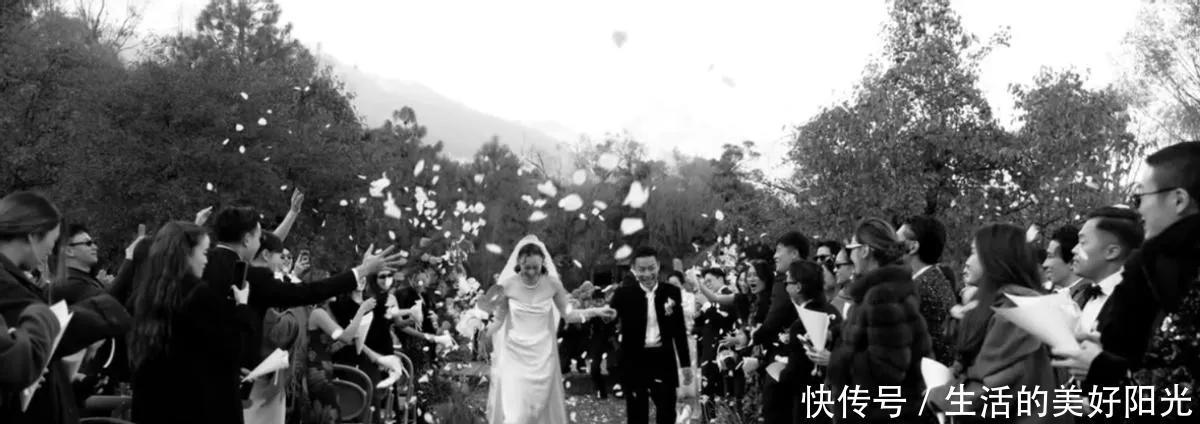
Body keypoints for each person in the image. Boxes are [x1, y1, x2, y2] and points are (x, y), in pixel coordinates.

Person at [1052, 141, 1200, 423]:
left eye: (1140, 197)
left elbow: (1182, 395)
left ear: (1178, 200)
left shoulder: (1181, 278)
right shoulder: (1148, 274)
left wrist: (1102, 368)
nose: (1139, 210)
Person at [0, 192, 131, 424]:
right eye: (53, 239)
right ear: (33, 236)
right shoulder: (8, 285)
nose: (51, 250)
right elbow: (22, 355)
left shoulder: (14, 280)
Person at [928, 224, 1072, 424]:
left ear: (996, 258)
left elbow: (991, 390)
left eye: (974, 252)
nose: (967, 262)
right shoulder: (1003, 306)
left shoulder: (1015, 313)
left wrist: (937, 396)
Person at [127, 221, 254, 424]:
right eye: (204, 253)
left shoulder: (145, 295)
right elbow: (229, 350)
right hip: (196, 406)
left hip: (154, 405)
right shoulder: (198, 295)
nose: (206, 260)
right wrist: (242, 307)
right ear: (186, 254)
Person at [484, 236, 614, 424]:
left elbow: (569, 315)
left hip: (542, 355)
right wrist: (485, 334)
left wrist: (596, 311)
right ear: (518, 263)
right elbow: (498, 320)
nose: (530, 272)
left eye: (535, 267)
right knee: (517, 410)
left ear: (543, 264)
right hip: (515, 354)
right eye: (526, 267)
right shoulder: (507, 285)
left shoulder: (553, 284)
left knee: (536, 411)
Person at [827, 217, 931, 423]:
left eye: (852, 249)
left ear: (865, 251)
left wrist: (839, 359)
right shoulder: (887, 289)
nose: (850, 256)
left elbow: (887, 367)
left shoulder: (881, 296)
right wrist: (834, 334)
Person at [604, 245, 691, 424]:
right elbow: (609, 323)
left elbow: (679, 331)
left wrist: (685, 364)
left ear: (658, 266)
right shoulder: (623, 294)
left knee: (667, 413)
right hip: (635, 361)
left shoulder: (672, 292)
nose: (647, 274)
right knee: (637, 415)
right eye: (642, 269)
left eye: (651, 268)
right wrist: (610, 325)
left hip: (663, 359)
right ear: (634, 269)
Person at [779, 261, 840, 424]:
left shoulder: (803, 323)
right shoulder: (832, 311)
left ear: (798, 287)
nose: (786, 288)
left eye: (787, 283)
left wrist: (779, 373)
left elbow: (794, 372)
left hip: (809, 401)